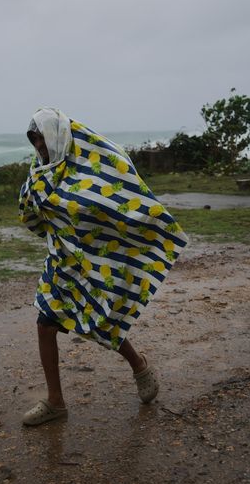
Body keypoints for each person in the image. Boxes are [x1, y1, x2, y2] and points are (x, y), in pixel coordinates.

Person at [17, 108, 189, 426]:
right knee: (45, 323)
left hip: (93, 260)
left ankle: (139, 365)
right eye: (35, 142)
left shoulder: (92, 168)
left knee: (100, 320)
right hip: (60, 261)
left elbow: (115, 200)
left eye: (42, 140)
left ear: (56, 136)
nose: (39, 147)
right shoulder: (41, 170)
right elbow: (33, 207)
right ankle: (55, 402)